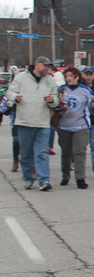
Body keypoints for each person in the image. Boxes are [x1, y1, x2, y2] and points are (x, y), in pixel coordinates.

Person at [6, 56, 59, 191]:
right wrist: (15, 98)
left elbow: (56, 99)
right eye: (45, 66)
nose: (47, 68)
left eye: (49, 66)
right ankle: (28, 179)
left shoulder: (50, 80)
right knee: (26, 153)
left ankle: (44, 180)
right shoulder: (21, 77)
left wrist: (52, 100)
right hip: (25, 121)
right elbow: (10, 92)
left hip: (43, 122)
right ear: (37, 65)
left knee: (42, 152)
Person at [56, 65, 94, 189]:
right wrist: (58, 103)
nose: (68, 78)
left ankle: (80, 178)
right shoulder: (61, 89)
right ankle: (65, 176)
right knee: (66, 153)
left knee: (80, 152)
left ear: (77, 77)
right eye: (66, 76)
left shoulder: (85, 90)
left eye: (71, 76)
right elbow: (53, 106)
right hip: (63, 126)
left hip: (81, 125)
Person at [0, 96, 19, 172]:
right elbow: (3, 111)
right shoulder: (10, 95)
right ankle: (16, 161)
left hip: (30, 122)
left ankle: (31, 166)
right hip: (16, 123)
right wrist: (8, 106)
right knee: (16, 141)